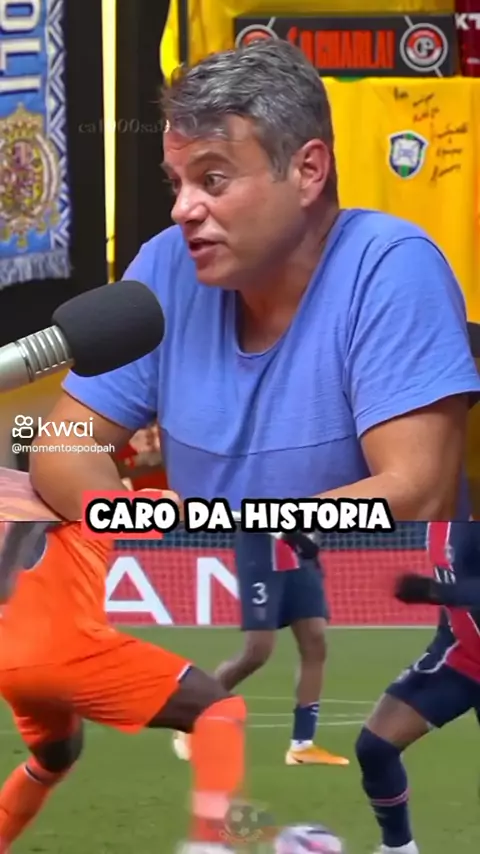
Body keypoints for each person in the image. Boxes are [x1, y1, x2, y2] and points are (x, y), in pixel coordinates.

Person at [29, 40, 480, 768]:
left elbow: (414, 494)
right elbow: (61, 447)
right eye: (177, 181)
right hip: (202, 606)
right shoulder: (167, 266)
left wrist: (220, 535)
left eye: (212, 178)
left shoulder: (394, 268)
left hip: (376, 620)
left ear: (307, 170)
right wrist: (132, 518)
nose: (183, 208)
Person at [0, 518, 248, 854]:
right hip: (66, 651)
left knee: (55, 758)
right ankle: (210, 844)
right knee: (219, 709)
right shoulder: (81, 505)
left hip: (9, 664)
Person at [356, 521, 480, 854]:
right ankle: (398, 849)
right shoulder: (440, 515)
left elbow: (449, 588)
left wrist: (436, 592)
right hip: (463, 657)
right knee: (375, 746)